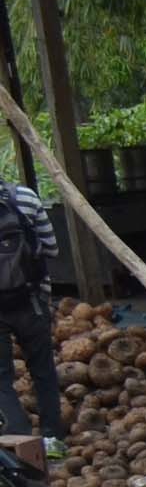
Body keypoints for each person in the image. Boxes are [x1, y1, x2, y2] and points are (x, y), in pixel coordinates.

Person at [0, 180, 61, 456]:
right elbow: (51, 249)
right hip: (32, 300)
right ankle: (52, 441)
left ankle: (20, 442)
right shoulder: (25, 196)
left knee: (1, 378)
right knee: (43, 372)